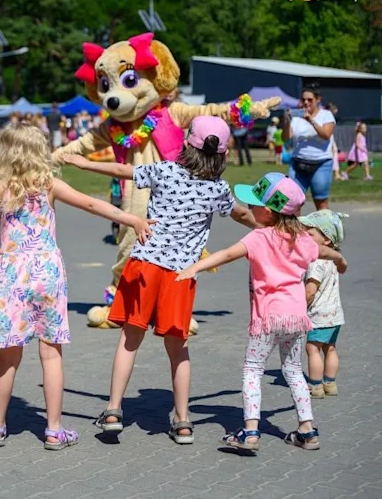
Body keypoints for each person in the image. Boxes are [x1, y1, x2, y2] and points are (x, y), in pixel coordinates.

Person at [0, 125, 152, 450]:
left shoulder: (1, 188)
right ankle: (53, 429)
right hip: (47, 274)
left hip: (13, 275)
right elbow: (92, 205)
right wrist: (132, 219)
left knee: (9, 355)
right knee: (51, 355)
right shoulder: (50, 185)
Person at [63, 116, 257, 445]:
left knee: (129, 340)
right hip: (180, 276)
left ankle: (112, 411)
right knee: (178, 349)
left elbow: (123, 172)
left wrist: (83, 164)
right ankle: (182, 421)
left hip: (143, 267)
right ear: (222, 155)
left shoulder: (165, 170)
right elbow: (239, 213)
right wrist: (266, 229)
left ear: (187, 145)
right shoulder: (218, 189)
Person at [176, 173, 347, 452]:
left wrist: (195, 268)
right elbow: (323, 253)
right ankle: (307, 430)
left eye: (253, 204)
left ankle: (251, 431)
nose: (249, 208)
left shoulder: (259, 237)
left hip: (268, 318)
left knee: (253, 369)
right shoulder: (302, 239)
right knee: (293, 370)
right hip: (296, 317)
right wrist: (340, 258)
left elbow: (228, 254)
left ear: (267, 212)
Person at [300, 210, 346, 399]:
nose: (305, 236)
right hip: (335, 313)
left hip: (319, 313)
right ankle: (330, 383)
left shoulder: (317, 262)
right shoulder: (334, 259)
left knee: (312, 348)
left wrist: (300, 307)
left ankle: (316, 386)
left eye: (310, 234)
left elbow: (310, 290)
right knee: (331, 348)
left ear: (326, 240)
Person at [282, 88, 336, 210]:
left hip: (321, 163)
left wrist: (310, 120)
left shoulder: (326, 115)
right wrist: (286, 122)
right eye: (303, 99)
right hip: (298, 162)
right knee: (293, 202)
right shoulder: (297, 117)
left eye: (310, 99)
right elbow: (286, 138)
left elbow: (326, 135)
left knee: (321, 201)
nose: (306, 102)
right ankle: (295, 229)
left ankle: (325, 228)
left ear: (318, 100)